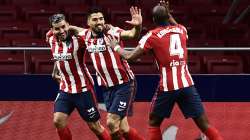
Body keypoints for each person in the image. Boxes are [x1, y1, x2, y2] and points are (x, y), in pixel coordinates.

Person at [107, 1, 223, 140]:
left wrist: (115, 46)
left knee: (154, 123)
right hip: (187, 85)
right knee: (204, 124)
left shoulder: (152, 36)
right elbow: (174, 25)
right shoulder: (182, 30)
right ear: (168, 16)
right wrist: (168, 14)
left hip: (167, 87)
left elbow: (130, 56)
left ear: (154, 20)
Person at [70, 6, 144, 140]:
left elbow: (132, 34)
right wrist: (51, 32)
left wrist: (138, 26)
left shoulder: (112, 32)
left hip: (124, 83)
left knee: (111, 122)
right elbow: (72, 29)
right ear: (88, 22)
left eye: (101, 19)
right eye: (95, 19)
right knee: (123, 128)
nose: (99, 22)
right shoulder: (85, 35)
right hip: (107, 87)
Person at [48, 13, 110, 140]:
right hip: (65, 89)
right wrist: (55, 70)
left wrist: (73, 28)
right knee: (58, 121)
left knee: (95, 126)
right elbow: (57, 56)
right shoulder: (50, 38)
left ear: (68, 25)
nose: (61, 31)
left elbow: (92, 33)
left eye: (63, 27)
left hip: (84, 90)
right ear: (51, 30)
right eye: (57, 28)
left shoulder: (79, 40)